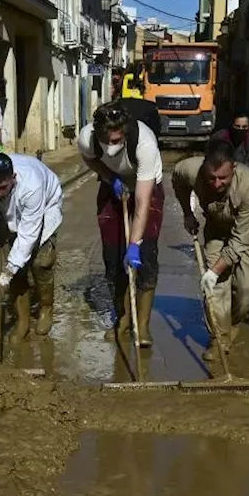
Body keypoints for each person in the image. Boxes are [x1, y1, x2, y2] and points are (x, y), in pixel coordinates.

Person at [173, 139, 249, 360]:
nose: (216, 184)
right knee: (215, 288)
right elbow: (178, 181)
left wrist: (214, 270)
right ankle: (219, 336)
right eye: (211, 178)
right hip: (216, 224)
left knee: (247, 289)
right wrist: (187, 213)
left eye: (223, 178)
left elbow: (238, 243)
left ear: (233, 168)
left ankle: (234, 321)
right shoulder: (188, 169)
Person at [78, 102, 165, 346]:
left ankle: (143, 326)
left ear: (125, 133)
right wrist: (110, 177)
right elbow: (90, 159)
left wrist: (135, 244)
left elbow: (143, 200)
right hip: (113, 184)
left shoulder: (145, 144)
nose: (113, 146)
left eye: (118, 141)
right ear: (99, 133)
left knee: (145, 256)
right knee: (113, 258)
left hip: (146, 186)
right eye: (109, 141)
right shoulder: (88, 138)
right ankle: (123, 319)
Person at [0, 151, 63, 342]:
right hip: (6, 212)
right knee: (17, 272)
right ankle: (23, 320)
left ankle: (46, 307)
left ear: (13, 178)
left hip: (44, 206)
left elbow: (28, 233)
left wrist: (7, 272)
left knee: (41, 262)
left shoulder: (32, 185)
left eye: (2, 187)